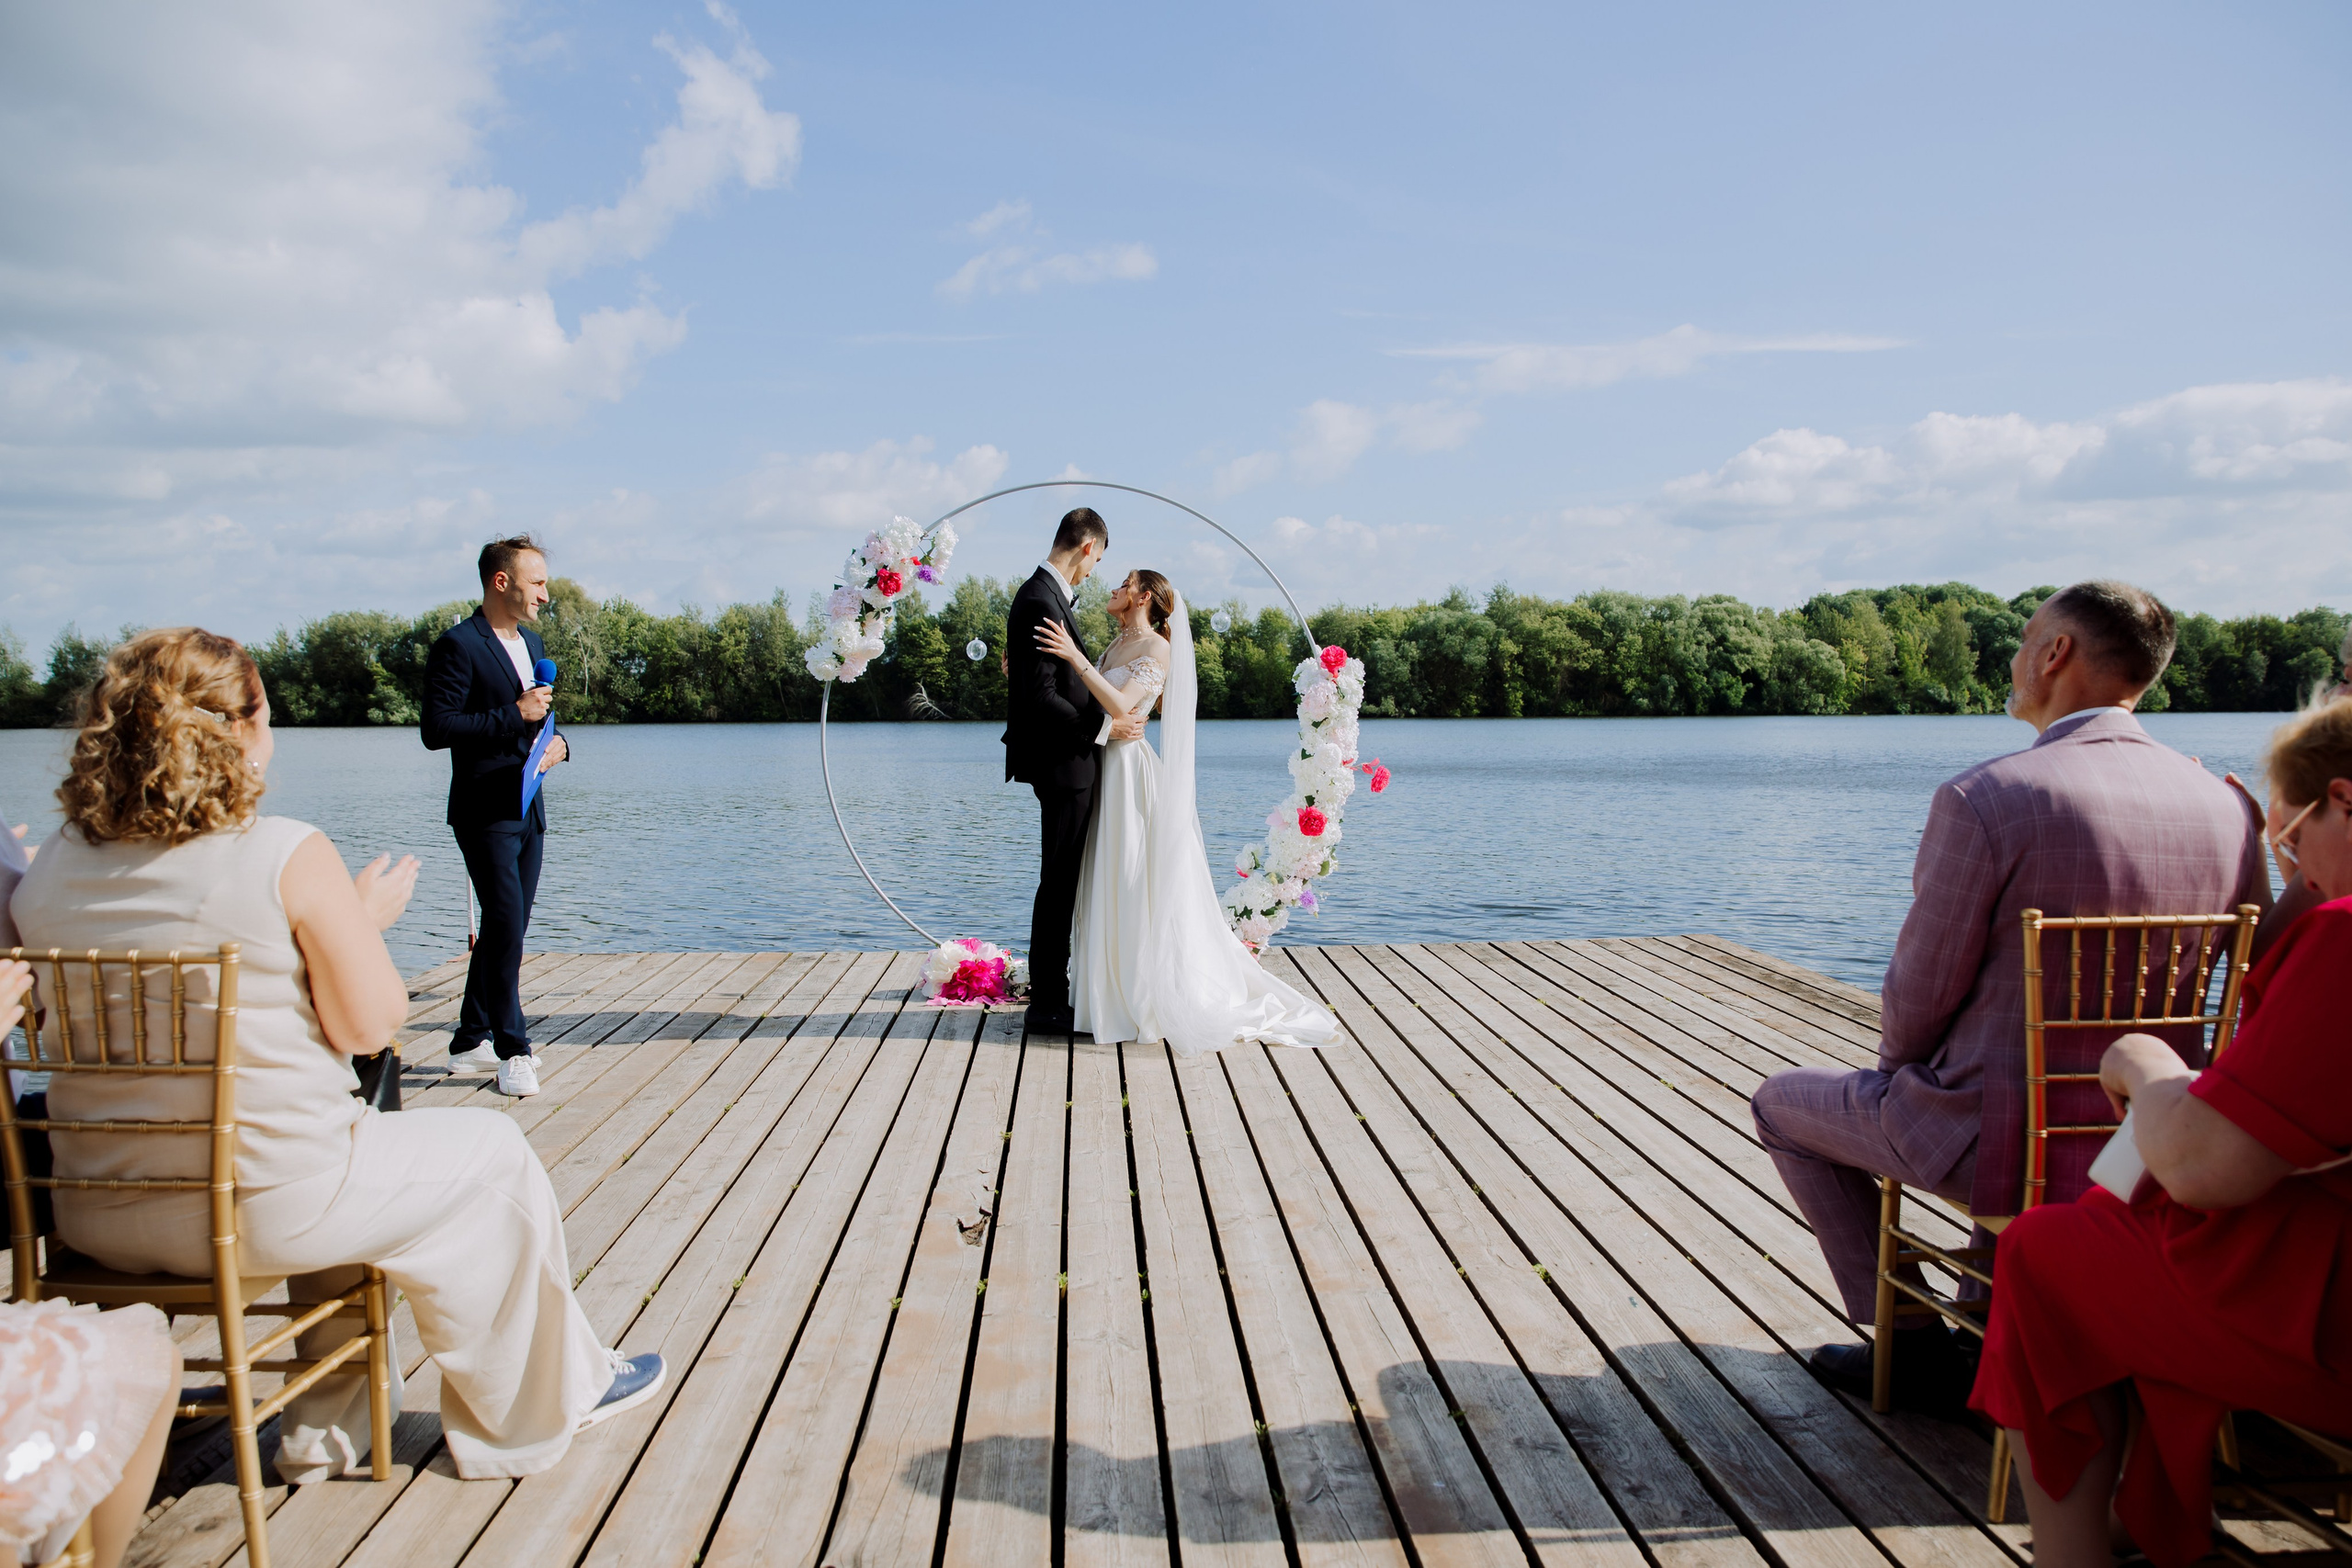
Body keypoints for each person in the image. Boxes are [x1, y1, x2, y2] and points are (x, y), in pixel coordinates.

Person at [11, 628, 660, 1485]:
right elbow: (369, 1026)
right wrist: (354, 921)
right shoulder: (282, 854)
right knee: (494, 1153)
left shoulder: (51, 868)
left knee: (348, 1157)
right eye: (267, 715)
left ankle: (334, 1429)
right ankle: (544, 1405)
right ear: (240, 729)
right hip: (263, 1205)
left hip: (95, 1212)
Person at [1749, 581, 2270, 1412]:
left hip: (1997, 1143)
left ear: (2056, 654)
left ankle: (1914, 1349)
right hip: (2147, 1149)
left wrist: (1897, 1075)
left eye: (2026, 639)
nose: (2016, 655)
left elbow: (1921, 991)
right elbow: (2252, 978)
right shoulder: (2229, 807)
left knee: (1782, 1105)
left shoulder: (1987, 796)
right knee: (2003, 1096)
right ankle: (1994, 1325)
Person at [1970, 695, 2352, 1568]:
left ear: (2342, 798)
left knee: (2043, 1252)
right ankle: (2143, 1510)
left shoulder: (2344, 936)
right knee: (2123, 1227)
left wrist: (2144, 1062)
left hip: (2330, 1328)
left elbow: (2203, 1166)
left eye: (2293, 838)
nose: (2295, 866)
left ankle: (2074, 1553)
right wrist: (2273, 859)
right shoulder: (2327, 923)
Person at [1035, 569, 1342, 1055]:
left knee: (1129, 877)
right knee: (1103, 877)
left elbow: (1123, 704)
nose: (1114, 587)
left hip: (1129, 773)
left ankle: (1135, 998)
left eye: (1125, 582)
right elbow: (1089, 702)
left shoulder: (1157, 647)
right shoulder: (1116, 644)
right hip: (1101, 765)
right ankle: (1101, 996)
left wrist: (1074, 657)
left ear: (1144, 596)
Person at [422, 535, 571, 1098]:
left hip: (528, 807)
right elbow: (437, 729)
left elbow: (539, 716)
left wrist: (560, 745)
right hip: (483, 810)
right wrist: (513, 713)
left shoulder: (531, 642)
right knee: (506, 924)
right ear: (501, 582)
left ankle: (469, 1040)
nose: (545, 595)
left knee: (507, 927)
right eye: (538, 583)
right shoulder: (458, 645)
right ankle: (514, 1050)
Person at [1001, 509, 1145, 1033]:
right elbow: (1041, 698)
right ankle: (1047, 1005)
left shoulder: (1044, 595)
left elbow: (1049, 683)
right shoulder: (1040, 599)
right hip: (1065, 763)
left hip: (1069, 760)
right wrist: (1104, 728)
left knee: (1061, 882)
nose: (1094, 571)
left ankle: (1056, 995)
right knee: (1058, 883)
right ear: (1088, 547)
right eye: (1098, 560)